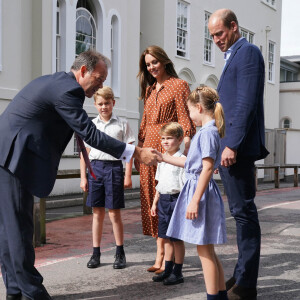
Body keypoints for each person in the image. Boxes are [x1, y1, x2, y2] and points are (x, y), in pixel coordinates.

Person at [0, 50, 158, 300]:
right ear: (83, 71)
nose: (101, 85)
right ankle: (32, 294)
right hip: (14, 160)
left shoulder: (55, 82)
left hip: (6, 158)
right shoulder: (67, 90)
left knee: (8, 231)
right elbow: (90, 134)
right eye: (99, 78)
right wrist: (136, 152)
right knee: (18, 231)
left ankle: (16, 292)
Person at [208, 9, 269, 300]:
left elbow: (244, 104)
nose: (216, 40)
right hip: (232, 148)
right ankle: (242, 272)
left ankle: (246, 285)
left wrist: (231, 144)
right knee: (240, 213)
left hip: (238, 149)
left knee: (244, 215)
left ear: (234, 27)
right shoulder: (234, 54)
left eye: (219, 33)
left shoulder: (248, 52)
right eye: (212, 36)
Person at [160, 86, 228, 300]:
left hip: (201, 193)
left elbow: (206, 168)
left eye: (190, 112)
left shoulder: (206, 133)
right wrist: (162, 157)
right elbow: (191, 164)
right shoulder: (207, 132)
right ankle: (221, 295)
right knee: (208, 250)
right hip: (200, 190)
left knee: (204, 251)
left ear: (198, 108)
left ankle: (213, 297)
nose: (189, 116)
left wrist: (194, 201)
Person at [136, 45, 196, 274]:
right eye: (148, 64)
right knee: (152, 201)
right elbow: (143, 124)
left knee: (167, 200)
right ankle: (159, 252)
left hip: (167, 150)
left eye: (154, 62)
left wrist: (187, 147)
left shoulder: (179, 85)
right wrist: (139, 150)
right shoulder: (150, 90)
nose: (151, 67)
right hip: (147, 152)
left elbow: (185, 118)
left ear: (164, 61)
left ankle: (166, 256)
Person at [79, 86, 135, 270]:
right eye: (100, 104)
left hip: (113, 169)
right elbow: (84, 154)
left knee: (114, 212)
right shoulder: (91, 125)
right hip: (95, 168)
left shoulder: (122, 124)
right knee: (97, 213)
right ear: (95, 104)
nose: (104, 107)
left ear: (113, 103)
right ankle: (96, 253)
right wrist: (83, 177)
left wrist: (128, 175)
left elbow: (129, 152)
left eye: (107, 103)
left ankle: (120, 252)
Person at [150, 122, 186, 285]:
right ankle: (168, 269)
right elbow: (160, 183)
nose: (165, 141)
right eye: (163, 138)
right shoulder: (162, 160)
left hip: (176, 200)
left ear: (179, 140)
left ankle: (178, 272)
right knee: (166, 238)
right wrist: (154, 203)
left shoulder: (182, 160)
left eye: (169, 138)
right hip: (164, 200)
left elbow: (185, 185)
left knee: (176, 239)